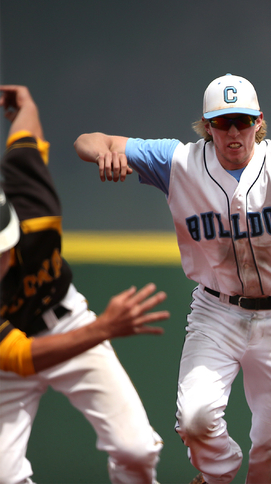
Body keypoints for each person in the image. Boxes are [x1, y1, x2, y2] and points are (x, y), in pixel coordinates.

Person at [74, 72, 271, 483]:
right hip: (217, 311)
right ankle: (217, 476)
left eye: (243, 121)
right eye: (222, 122)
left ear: (259, 121)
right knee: (195, 418)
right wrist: (103, 153)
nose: (233, 131)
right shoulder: (177, 162)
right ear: (207, 126)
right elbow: (88, 140)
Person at [0, 85, 168, 484]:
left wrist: (26, 103)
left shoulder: (30, 201)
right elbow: (21, 357)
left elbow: (27, 137)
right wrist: (106, 328)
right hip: (12, 359)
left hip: (65, 319)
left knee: (137, 449)